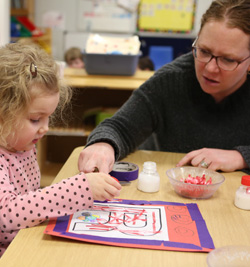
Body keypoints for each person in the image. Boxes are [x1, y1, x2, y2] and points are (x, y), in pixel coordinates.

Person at [77, 0, 250, 174]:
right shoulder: (171, 80)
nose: (210, 68)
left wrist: (240, 156)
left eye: (227, 60)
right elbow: (120, 128)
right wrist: (103, 145)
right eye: (204, 51)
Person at [0, 43, 121, 257]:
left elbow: (29, 196)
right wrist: (79, 189)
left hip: (28, 240)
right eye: (36, 119)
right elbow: (7, 213)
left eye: (48, 117)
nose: (45, 128)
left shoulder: (20, 144)